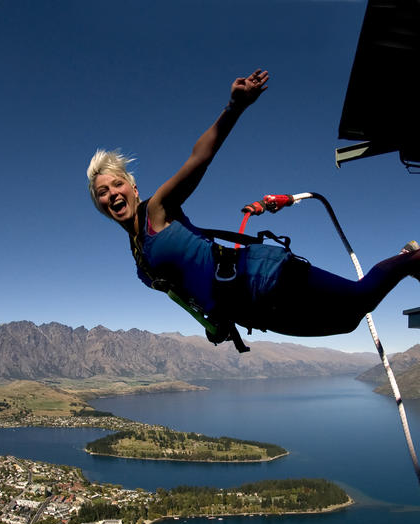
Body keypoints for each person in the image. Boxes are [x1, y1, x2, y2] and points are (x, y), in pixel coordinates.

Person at [86, 69, 420, 341]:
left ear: (133, 187)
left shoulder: (156, 210)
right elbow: (187, 288)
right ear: (99, 204)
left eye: (117, 184)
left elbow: (200, 158)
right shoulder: (139, 256)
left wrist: (234, 108)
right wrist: (214, 320)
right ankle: (407, 260)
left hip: (263, 275)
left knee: (358, 301)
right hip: (248, 308)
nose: (112, 193)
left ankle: (410, 259)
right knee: (348, 323)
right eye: (103, 191)